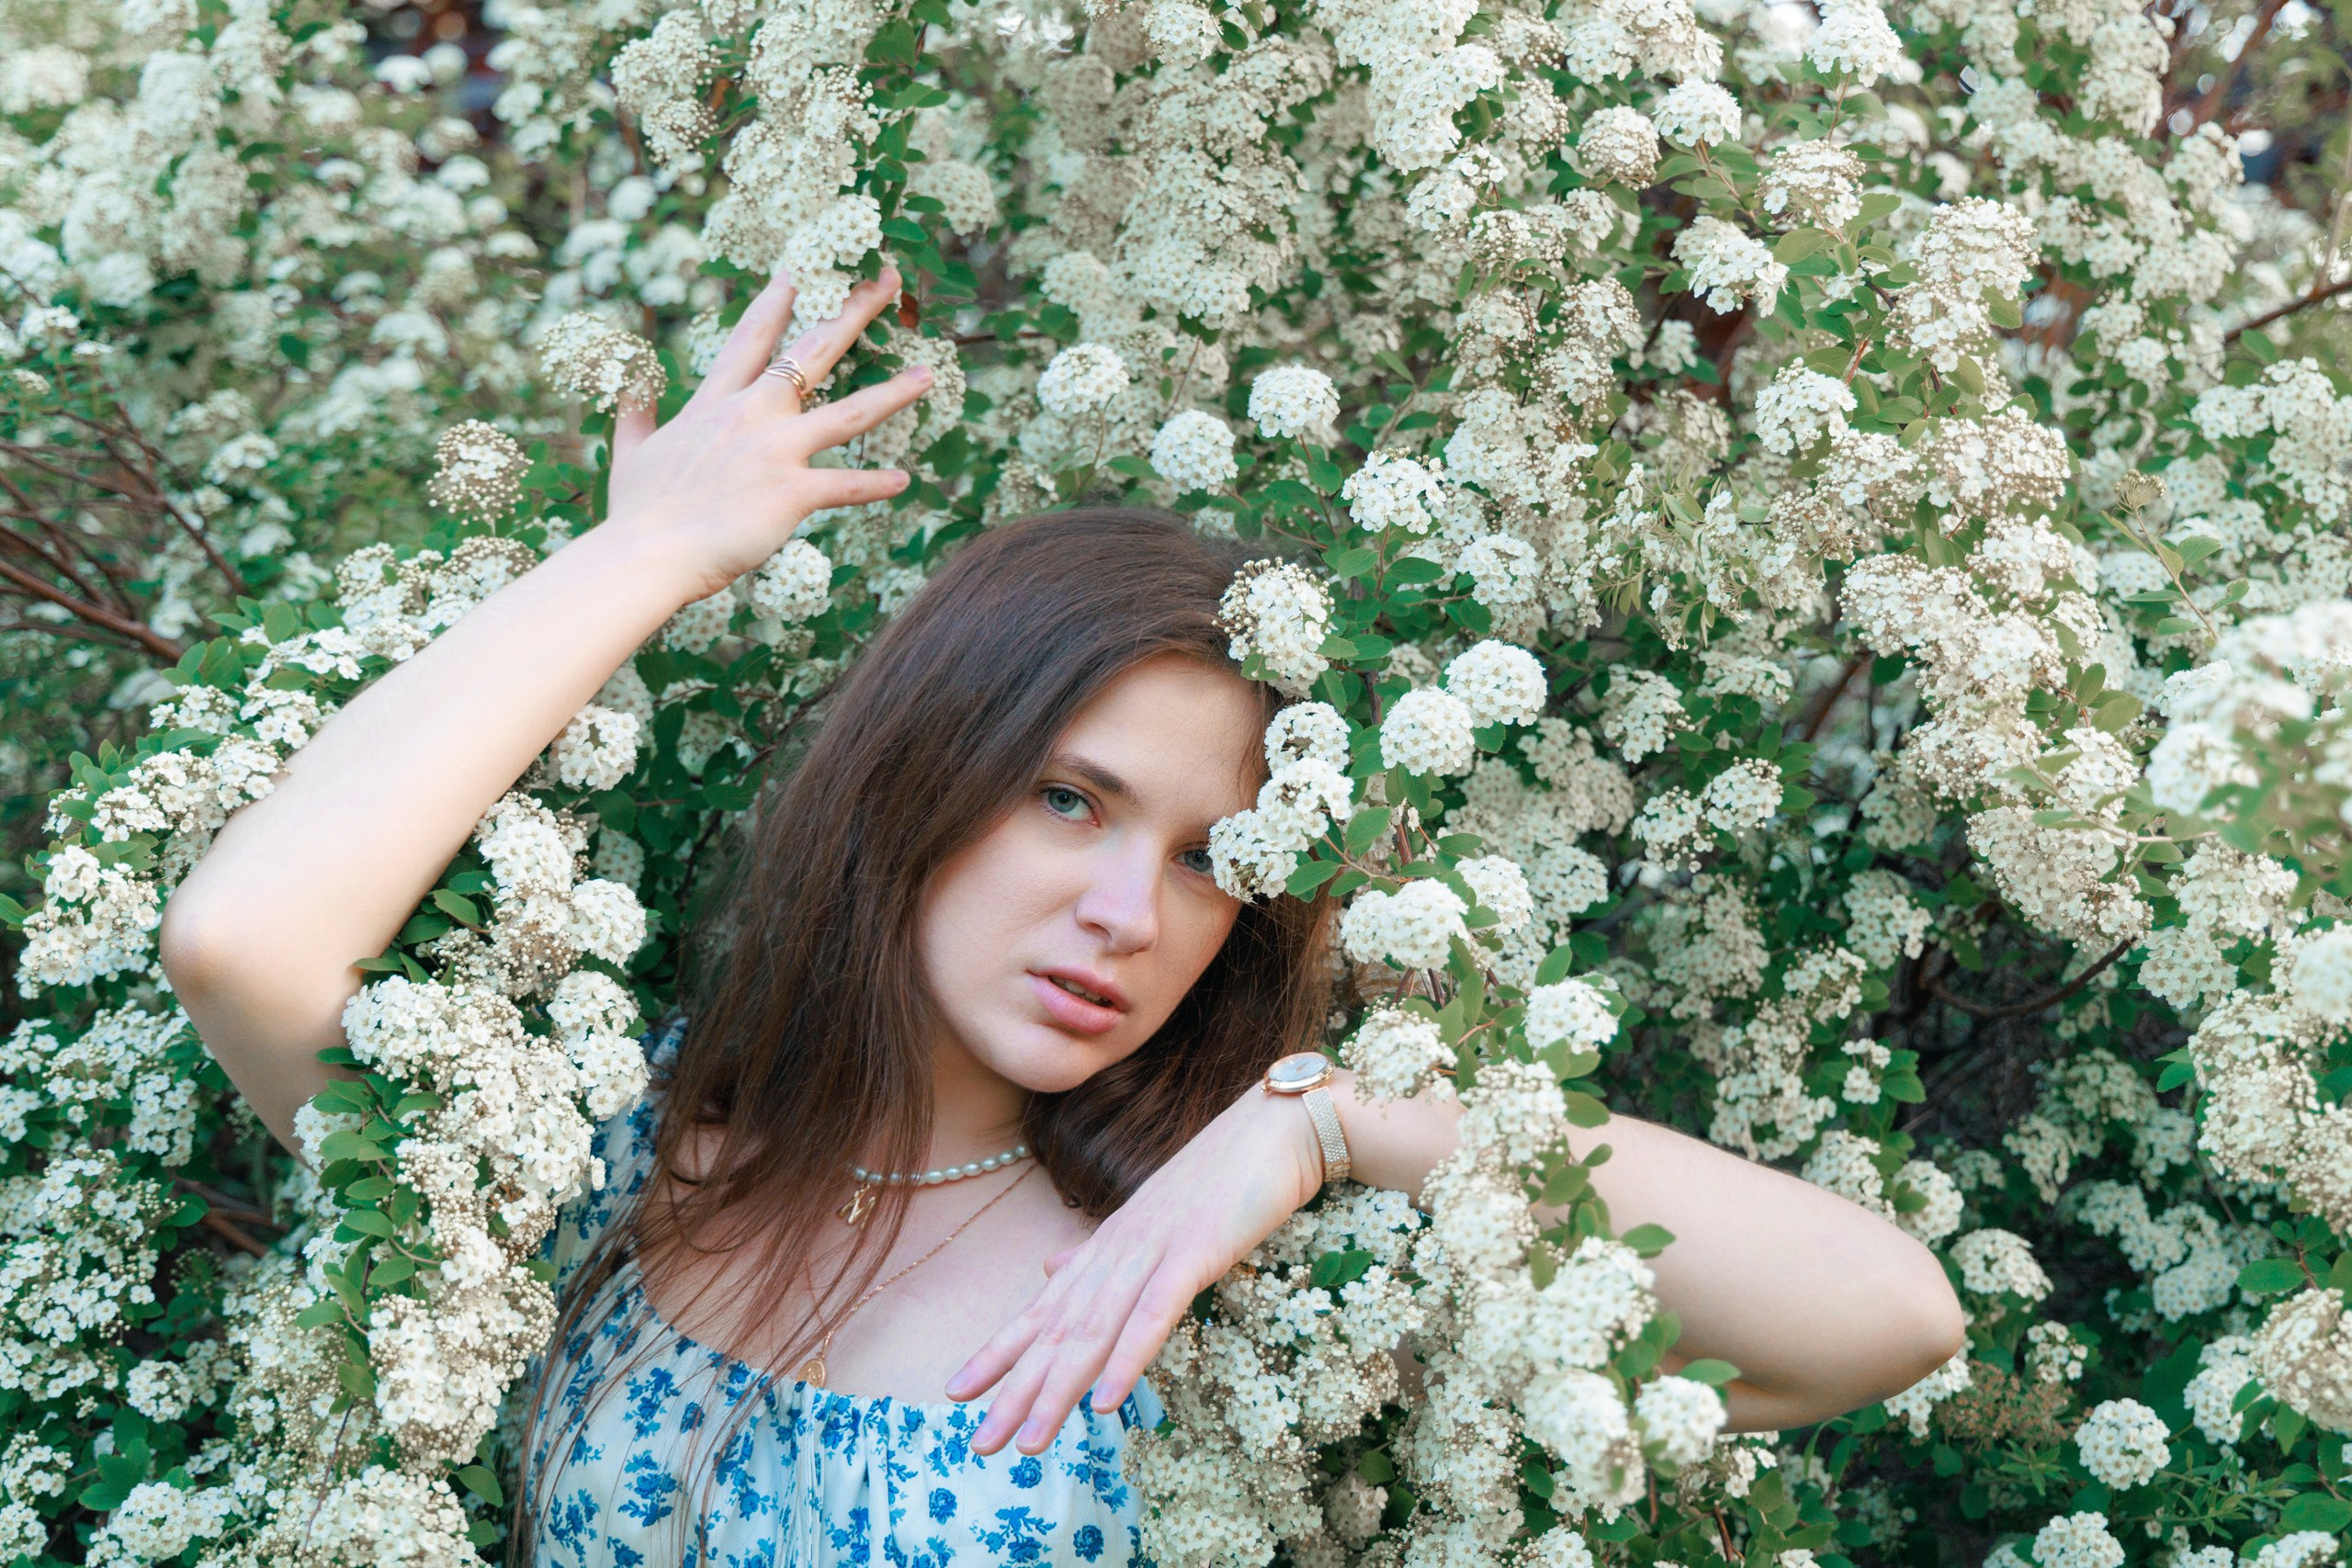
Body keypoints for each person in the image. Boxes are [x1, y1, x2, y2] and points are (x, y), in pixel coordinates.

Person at [158, 265, 1966, 1568]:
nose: (1126, 905)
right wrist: (655, 552)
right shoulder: (602, 1155)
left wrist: (1323, 1120)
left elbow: (1879, 1316)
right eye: (1069, 798)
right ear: (917, 780)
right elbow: (244, 940)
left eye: (1208, 852)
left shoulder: (1232, 1278)